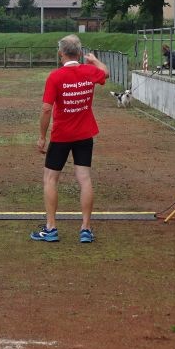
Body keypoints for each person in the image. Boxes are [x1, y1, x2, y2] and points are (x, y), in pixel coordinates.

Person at [33, 34, 109, 244]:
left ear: (61, 53)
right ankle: (86, 228)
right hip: (84, 134)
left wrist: (42, 136)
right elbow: (105, 72)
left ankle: (51, 228)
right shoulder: (89, 71)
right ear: (80, 53)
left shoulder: (55, 77)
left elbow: (46, 109)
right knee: (84, 179)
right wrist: (94, 60)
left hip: (61, 135)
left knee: (50, 178)